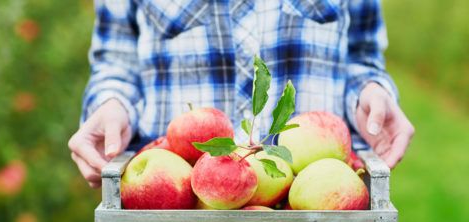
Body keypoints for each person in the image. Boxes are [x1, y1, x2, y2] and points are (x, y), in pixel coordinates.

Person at [68, 0, 414, 188]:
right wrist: (110, 104)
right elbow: (117, 63)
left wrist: (370, 91)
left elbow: (361, 55)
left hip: (321, 221)